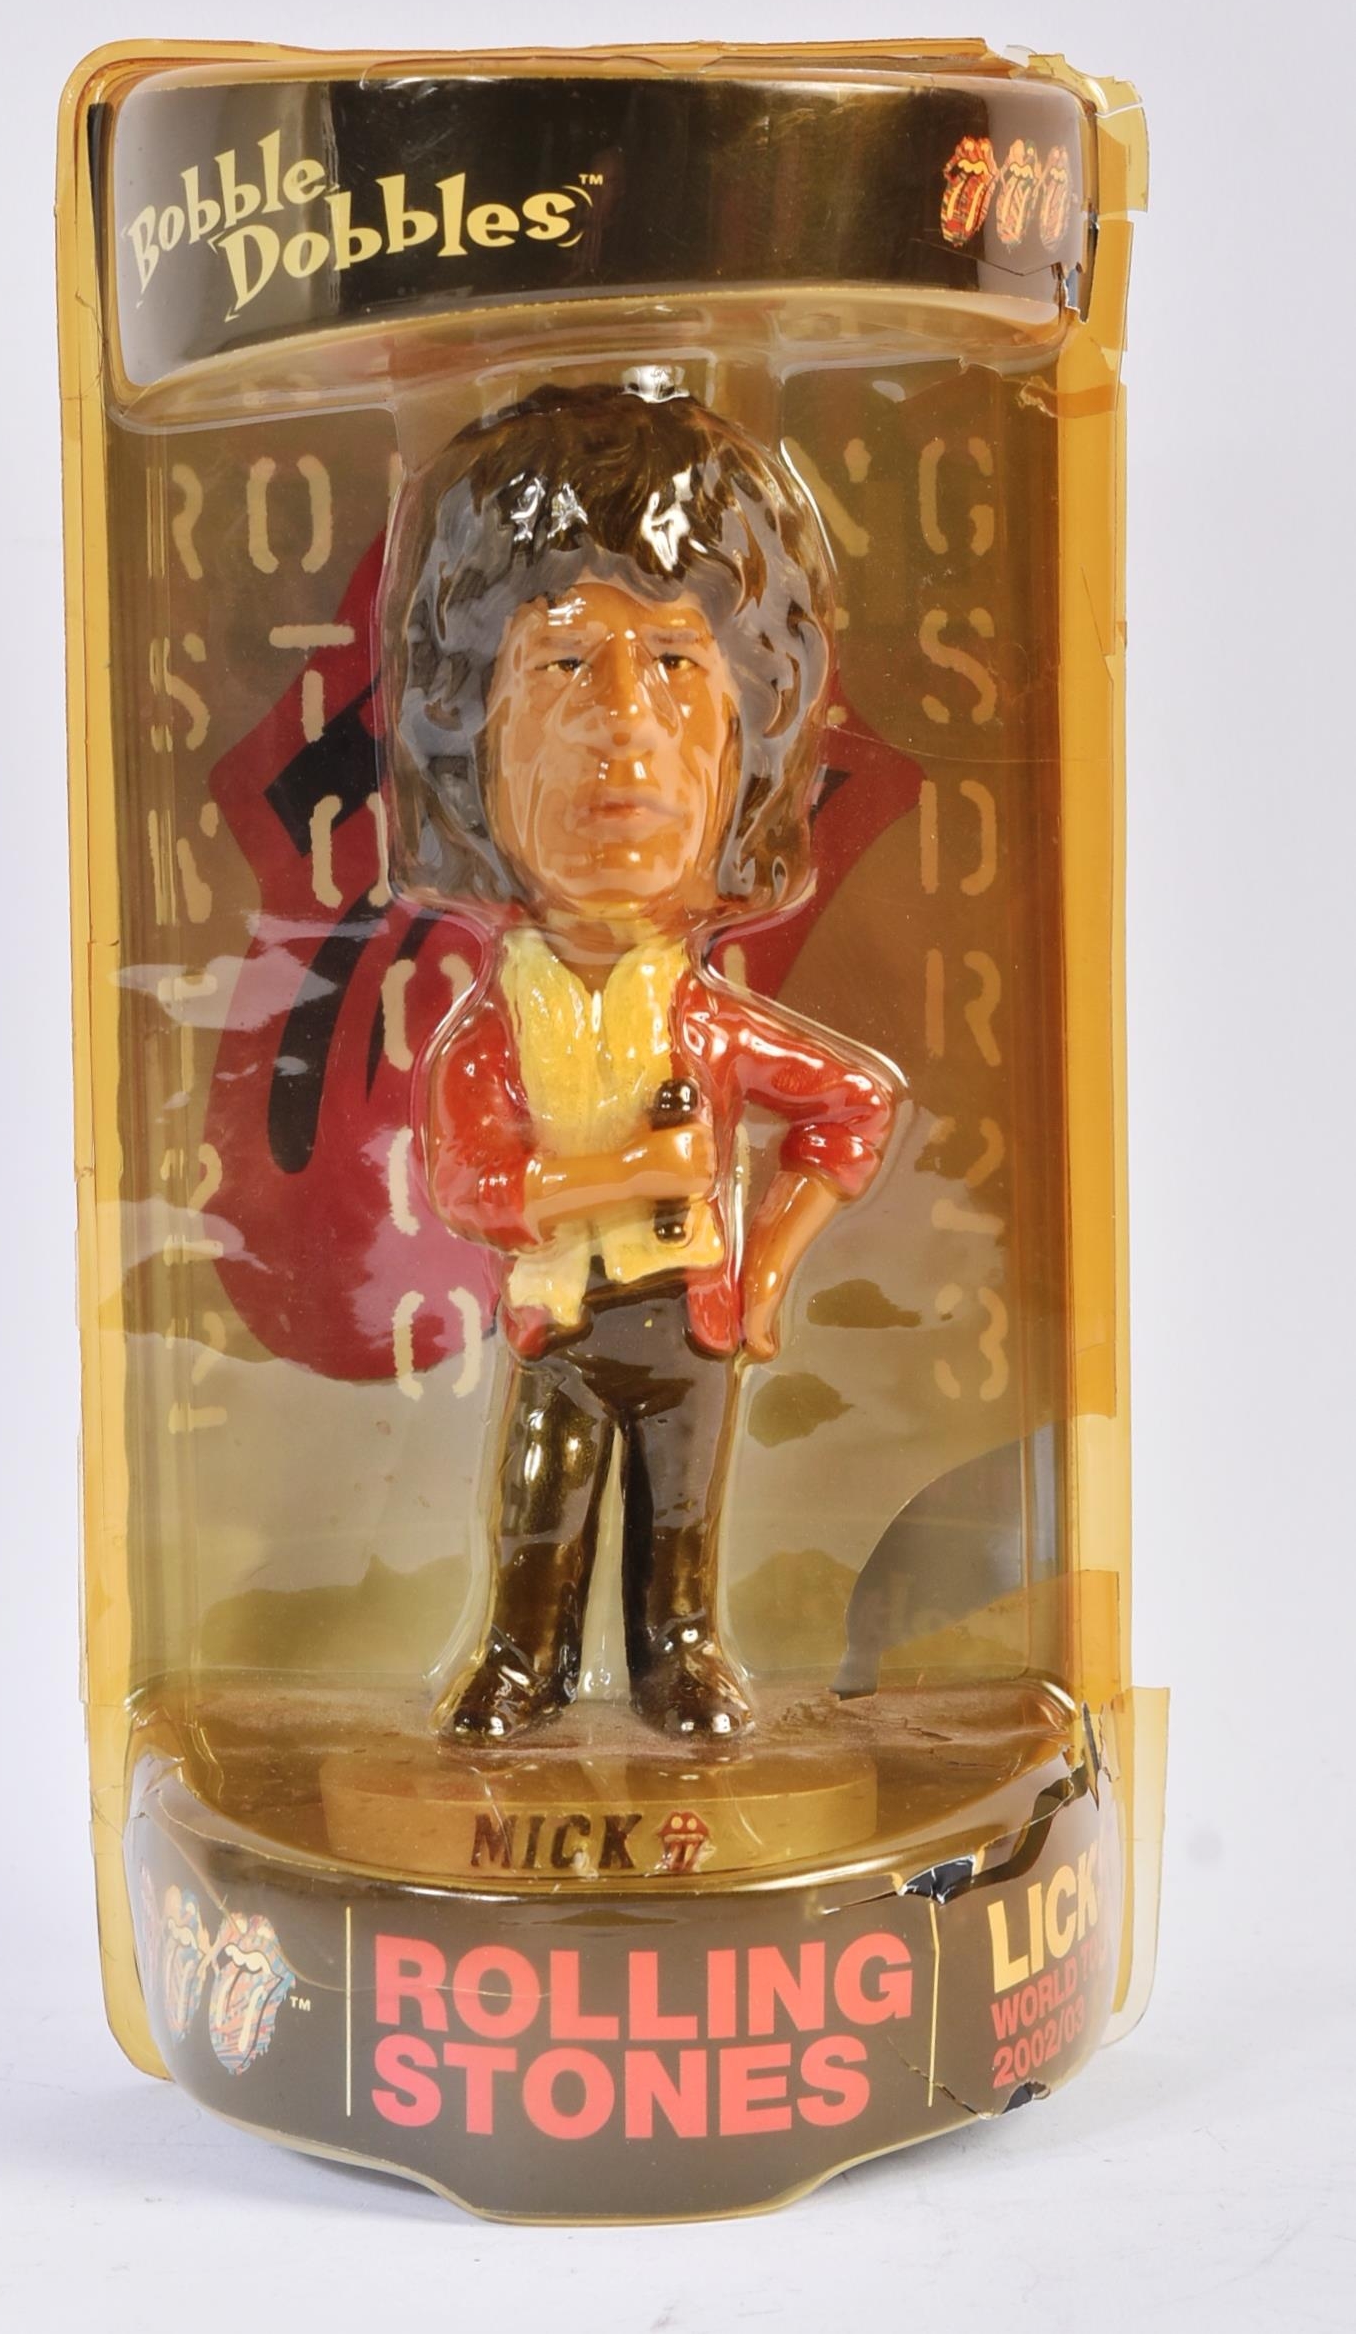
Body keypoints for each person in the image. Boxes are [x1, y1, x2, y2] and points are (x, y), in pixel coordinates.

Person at [379, 378, 898, 1745]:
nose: (623, 720)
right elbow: (470, 1189)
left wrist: (767, 1265)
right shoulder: (494, 1031)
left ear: (747, 731)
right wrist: (624, 1173)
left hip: (690, 1325)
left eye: (674, 662)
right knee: (539, 1501)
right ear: (472, 733)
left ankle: (680, 1660)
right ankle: (520, 1662)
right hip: (558, 1331)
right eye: (562, 665)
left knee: (681, 1515)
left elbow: (855, 1104)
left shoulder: (709, 1023)